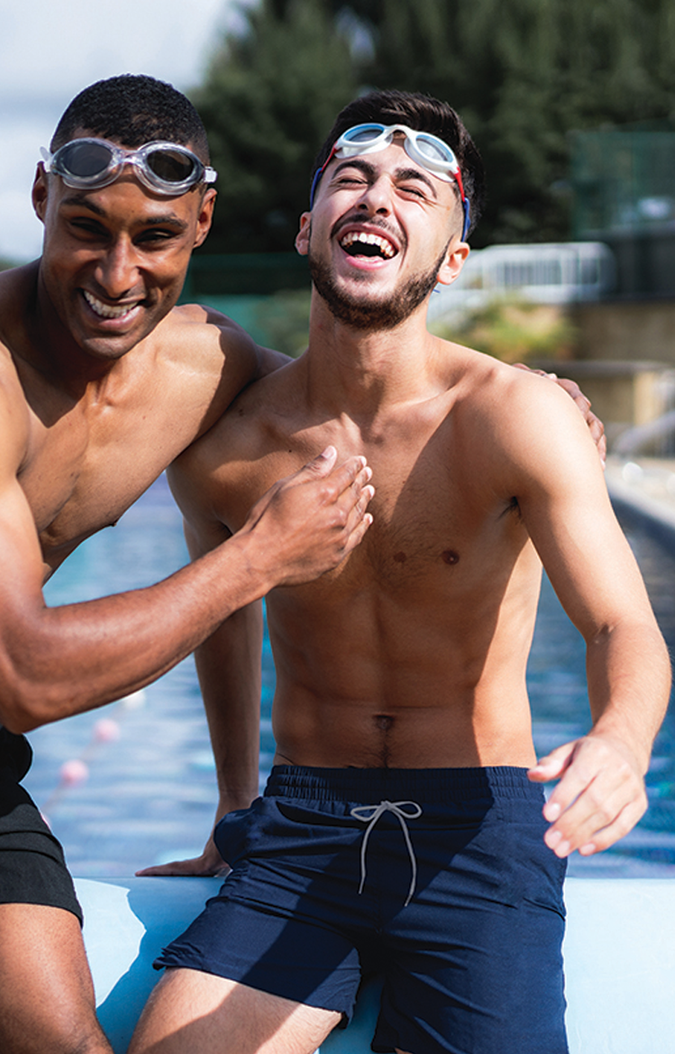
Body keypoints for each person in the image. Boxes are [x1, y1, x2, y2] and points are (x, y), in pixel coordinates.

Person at [0, 75, 597, 1054]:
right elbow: (22, 677)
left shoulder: (214, 372)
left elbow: (377, 386)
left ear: (203, 222)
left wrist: (536, 402)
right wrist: (257, 558)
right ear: (42, 200)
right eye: (88, 228)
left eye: (155, 238)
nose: (116, 273)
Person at [130, 90, 670, 1054]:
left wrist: (621, 745)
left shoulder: (512, 417)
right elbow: (221, 627)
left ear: (453, 256)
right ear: (308, 229)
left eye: (415, 188)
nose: (378, 197)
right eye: (352, 179)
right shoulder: (231, 446)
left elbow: (622, 625)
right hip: (300, 829)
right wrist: (233, 805)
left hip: (483, 828)